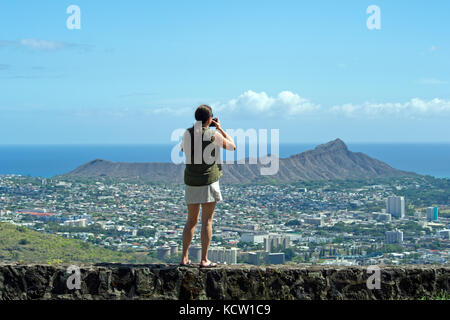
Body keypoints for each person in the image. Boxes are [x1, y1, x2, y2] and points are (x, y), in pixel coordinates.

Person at [179, 104, 236, 268]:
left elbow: (183, 149)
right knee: (207, 221)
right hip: (209, 182)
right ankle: (204, 259)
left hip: (191, 181)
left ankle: (184, 258)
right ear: (210, 119)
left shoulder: (187, 133)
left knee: (191, 221)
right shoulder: (213, 134)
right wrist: (220, 129)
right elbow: (232, 147)